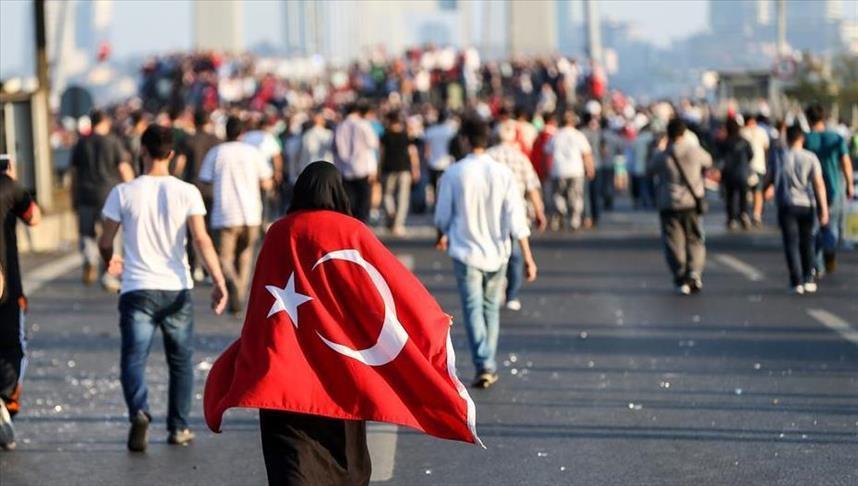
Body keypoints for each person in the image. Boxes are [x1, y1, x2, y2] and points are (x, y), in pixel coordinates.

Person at [98, 125, 228, 452]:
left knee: (133, 359)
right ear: (171, 154)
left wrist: (109, 259)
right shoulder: (187, 192)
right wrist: (218, 279)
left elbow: (104, 240)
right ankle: (179, 427)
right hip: (176, 288)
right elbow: (201, 239)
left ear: (142, 150)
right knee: (180, 362)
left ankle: (140, 410)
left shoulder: (123, 192)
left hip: (137, 288)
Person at [434, 120, 538, 389]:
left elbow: (442, 216)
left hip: (465, 251)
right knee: (491, 308)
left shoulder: (454, 173)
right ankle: (487, 360)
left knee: (472, 309)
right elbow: (517, 219)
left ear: (466, 141)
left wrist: (442, 233)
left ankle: (484, 363)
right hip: (498, 252)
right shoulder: (503, 173)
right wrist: (528, 257)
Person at [199, 116, 274, 316]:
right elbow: (266, 181)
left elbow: (204, 180)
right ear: (242, 133)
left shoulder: (216, 153)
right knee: (245, 256)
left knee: (224, 258)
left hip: (224, 214)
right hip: (251, 213)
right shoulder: (253, 152)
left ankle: (234, 289)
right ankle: (239, 294)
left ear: (226, 132)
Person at [0, 154, 42, 451]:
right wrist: (14, 184)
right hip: (7, 285)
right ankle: (5, 399)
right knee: (13, 346)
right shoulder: (8, 186)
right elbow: (34, 218)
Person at [70, 109, 134, 290]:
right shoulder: (113, 142)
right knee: (112, 236)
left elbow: (73, 173)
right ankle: (109, 275)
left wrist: (73, 197)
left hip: (85, 195)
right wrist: (133, 190)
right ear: (105, 122)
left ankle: (89, 259)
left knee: (86, 233)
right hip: (109, 196)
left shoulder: (81, 143)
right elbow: (124, 168)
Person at [649, 118, 713, 295]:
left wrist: (660, 147)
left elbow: (650, 168)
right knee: (695, 239)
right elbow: (709, 161)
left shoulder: (663, 155)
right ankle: (694, 273)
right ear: (684, 133)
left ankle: (680, 274)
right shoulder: (694, 151)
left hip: (669, 203)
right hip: (691, 202)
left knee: (673, 242)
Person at [487, 120, 546, 311]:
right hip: (516, 211)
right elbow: (532, 187)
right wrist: (539, 211)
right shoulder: (520, 158)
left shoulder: (487, 157)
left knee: (492, 252)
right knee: (515, 253)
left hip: (490, 213)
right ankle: (512, 294)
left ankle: (494, 288)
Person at [763, 125, 829, 294]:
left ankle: (796, 281)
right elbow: (819, 184)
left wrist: (764, 190)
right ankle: (809, 278)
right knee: (807, 242)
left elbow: (769, 177)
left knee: (791, 243)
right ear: (802, 138)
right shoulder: (810, 157)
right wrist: (824, 209)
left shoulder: (781, 157)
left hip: (787, 204)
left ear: (788, 138)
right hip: (807, 204)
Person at [803, 104, 854, 275]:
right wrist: (850, 185)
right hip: (834, 188)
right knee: (831, 226)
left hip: (811, 190)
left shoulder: (806, 139)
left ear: (808, 119)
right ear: (823, 117)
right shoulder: (836, 138)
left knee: (814, 228)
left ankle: (817, 265)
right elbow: (846, 163)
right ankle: (829, 250)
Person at [175, 110, 222, 281]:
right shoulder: (216, 140)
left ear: (194, 122)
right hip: (212, 189)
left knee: (192, 229)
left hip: (192, 187)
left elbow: (180, 163)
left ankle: (193, 266)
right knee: (210, 229)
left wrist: (175, 179)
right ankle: (210, 268)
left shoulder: (188, 140)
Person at [547, 112, 595, 231]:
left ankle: (561, 210)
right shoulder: (578, 135)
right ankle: (575, 219)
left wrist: (547, 169)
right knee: (576, 195)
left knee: (558, 194)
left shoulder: (556, 135)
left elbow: (547, 152)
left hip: (558, 170)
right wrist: (590, 168)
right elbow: (586, 153)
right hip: (576, 170)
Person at [335, 102, 379, 223]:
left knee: (349, 201)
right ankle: (362, 226)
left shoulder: (340, 126)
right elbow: (373, 144)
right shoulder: (363, 124)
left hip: (345, 169)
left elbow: (336, 149)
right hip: (363, 167)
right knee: (363, 201)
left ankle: (351, 225)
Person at [380, 112, 420, 236]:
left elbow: (381, 154)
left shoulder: (385, 136)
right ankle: (398, 224)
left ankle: (391, 214)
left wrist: (378, 168)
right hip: (404, 169)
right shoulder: (406, 136)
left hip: (388, 169)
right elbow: (413, 154)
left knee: (387, 195)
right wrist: (415, 169)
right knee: (403, 198)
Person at [243, 115, 285, 225]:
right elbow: (276, 157)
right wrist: (278, 173)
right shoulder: (268, 137)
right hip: (265, 176)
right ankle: (264, 223)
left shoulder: (246, 137)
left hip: (247, 175)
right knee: (264, 201)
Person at [720, 118, 754, 229]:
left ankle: (731, 218)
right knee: (743, 196)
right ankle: (744, 214)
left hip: (729, 173)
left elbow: (720, 157)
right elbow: (751, 155)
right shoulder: (745, 141)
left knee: (730, 196)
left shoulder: (725, 142)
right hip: (743, 172)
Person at [741, 114, 770, 226]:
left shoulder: (742, 132)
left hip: (746, 166)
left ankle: (745, 213)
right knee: (758, 191)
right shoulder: (762, 132)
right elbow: (766, 147)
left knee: (746, 191)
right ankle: (756, 215)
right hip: (759, 165)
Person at [423, 111, 458, 203]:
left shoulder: (430, 131)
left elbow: (427, 148)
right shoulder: (450, 130)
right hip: (447, 162)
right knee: (446, 185)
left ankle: (436, 202)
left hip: (432, 162)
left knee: (434, 185)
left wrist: (426, 159)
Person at [296, 110, 334, 178]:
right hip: (327, 169)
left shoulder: (307, 134)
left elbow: (303, 155)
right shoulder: (329, 134)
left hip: (311, 169)